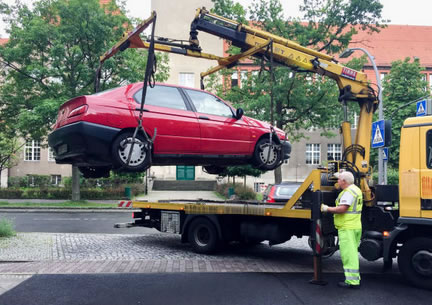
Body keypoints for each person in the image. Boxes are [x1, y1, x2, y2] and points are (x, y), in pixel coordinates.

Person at [321, 171, 363, 289]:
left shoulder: (348, 192)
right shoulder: (356, 189)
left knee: (348, 255)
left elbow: (342, 209)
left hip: (347, 227)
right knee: (353, 254)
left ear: (344, 181)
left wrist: (326, 208)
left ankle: (352, 281)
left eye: (339, 179)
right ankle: (355, 279)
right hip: (354, 226)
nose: (337, 181)